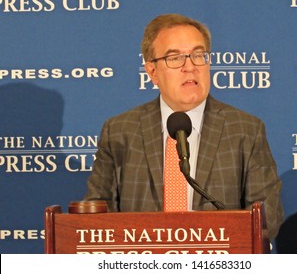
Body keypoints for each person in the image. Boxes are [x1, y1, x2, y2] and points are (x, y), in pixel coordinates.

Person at [84, 13, 284, 240]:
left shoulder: (245, 131)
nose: (190, 67)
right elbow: (96, 214)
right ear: (152, 72)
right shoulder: (119, 132)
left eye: (198, 55)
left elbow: (267, 219)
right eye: (175, 58)